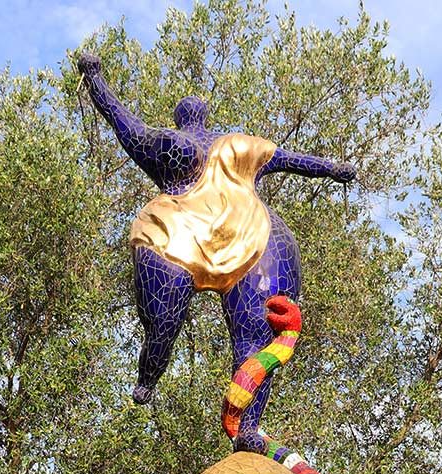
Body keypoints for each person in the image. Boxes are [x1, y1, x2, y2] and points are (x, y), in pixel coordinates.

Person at [78, 52, 355, 452]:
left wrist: (94, 78)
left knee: (252, 339)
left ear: (186, 116)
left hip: (246, 240)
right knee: (163, 324)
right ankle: (149, 374)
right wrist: (332, 169)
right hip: (176, 236)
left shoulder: (238, 145)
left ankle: (246, 425)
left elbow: (121, 119)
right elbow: (124, 124)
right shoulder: (209, 144)